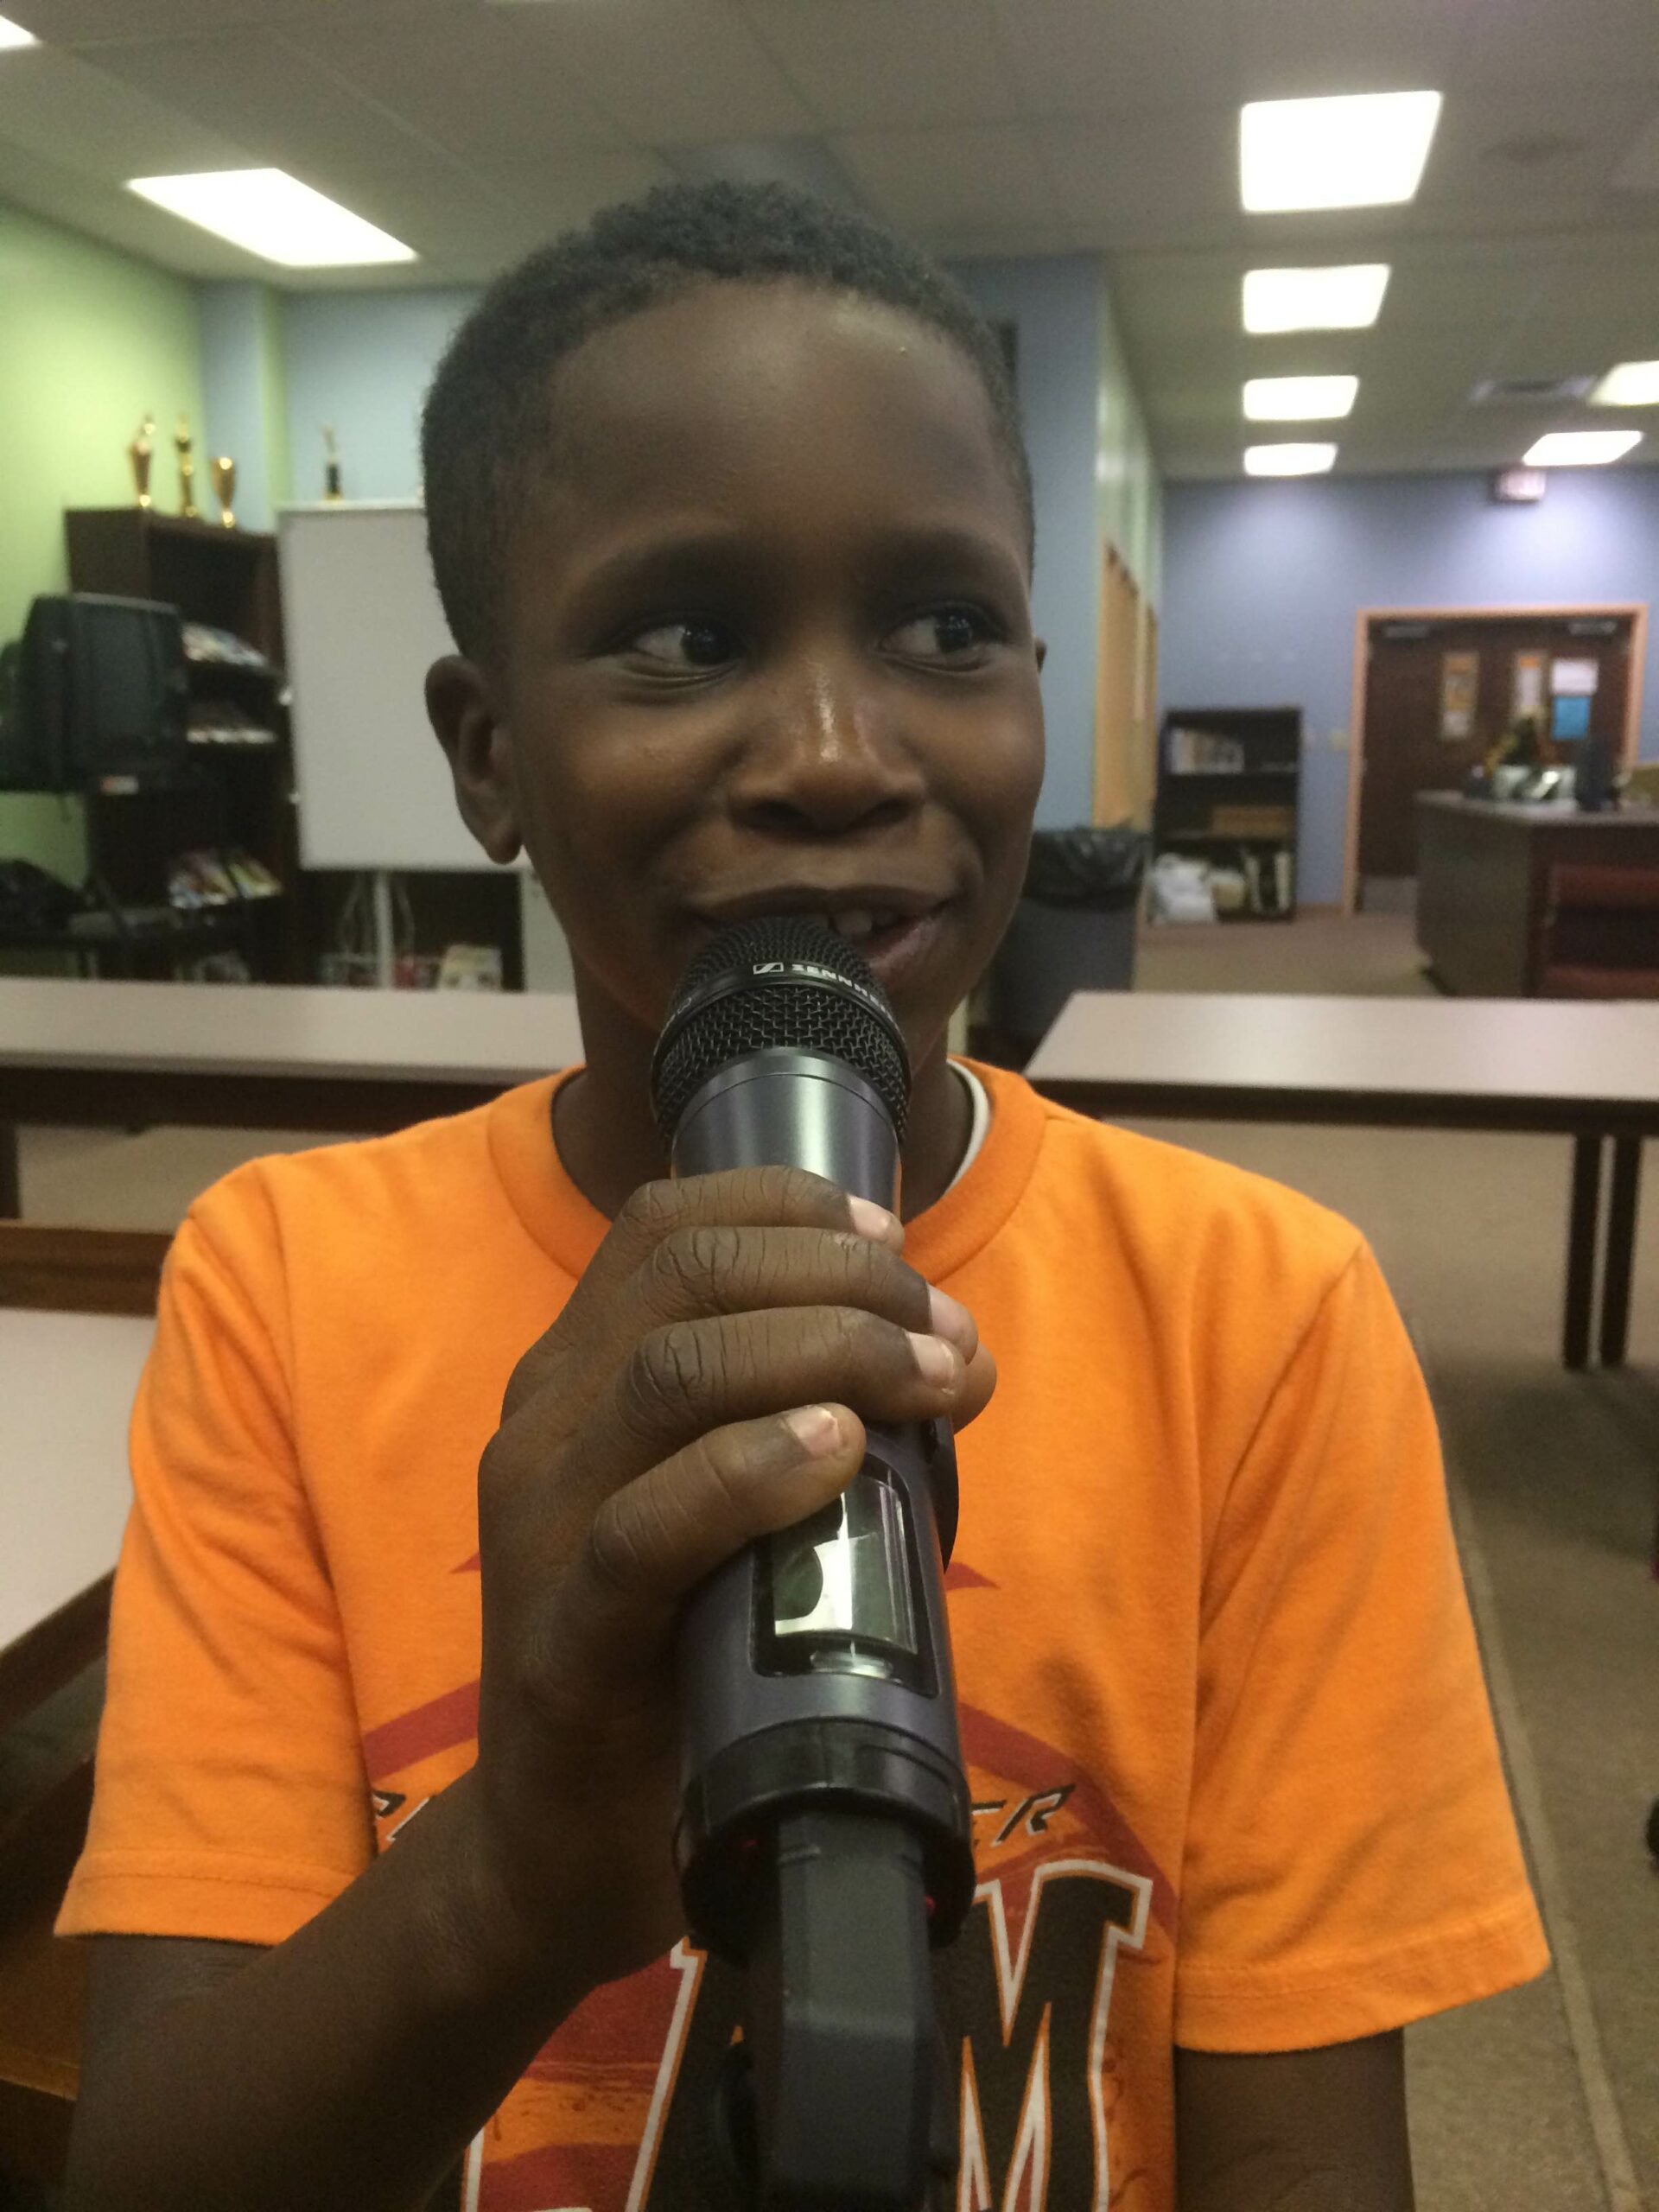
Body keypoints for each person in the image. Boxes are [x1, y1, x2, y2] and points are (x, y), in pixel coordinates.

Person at [56, 182, 1548, 2212]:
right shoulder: (286, 1281)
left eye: (946, 629)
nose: (841, 754)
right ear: (489, 755)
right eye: (689, 637)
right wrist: (501, 1881)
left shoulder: (1262, 1311)